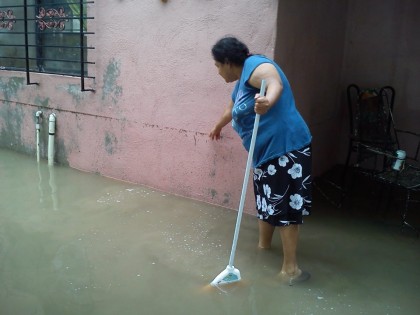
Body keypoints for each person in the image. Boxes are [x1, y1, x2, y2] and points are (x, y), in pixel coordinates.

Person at [209, 36, 312, 285]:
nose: (217, 70)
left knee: (285, 205)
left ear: (227, 62)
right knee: (267, 201)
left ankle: (291, 271)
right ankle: (263, 248)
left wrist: (268, 100)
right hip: (265, 152)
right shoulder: (240, 84)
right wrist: (218, 127)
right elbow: (230, 110)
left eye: (217, 65)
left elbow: (273, 81)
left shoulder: (255, 66)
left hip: (286, 148)